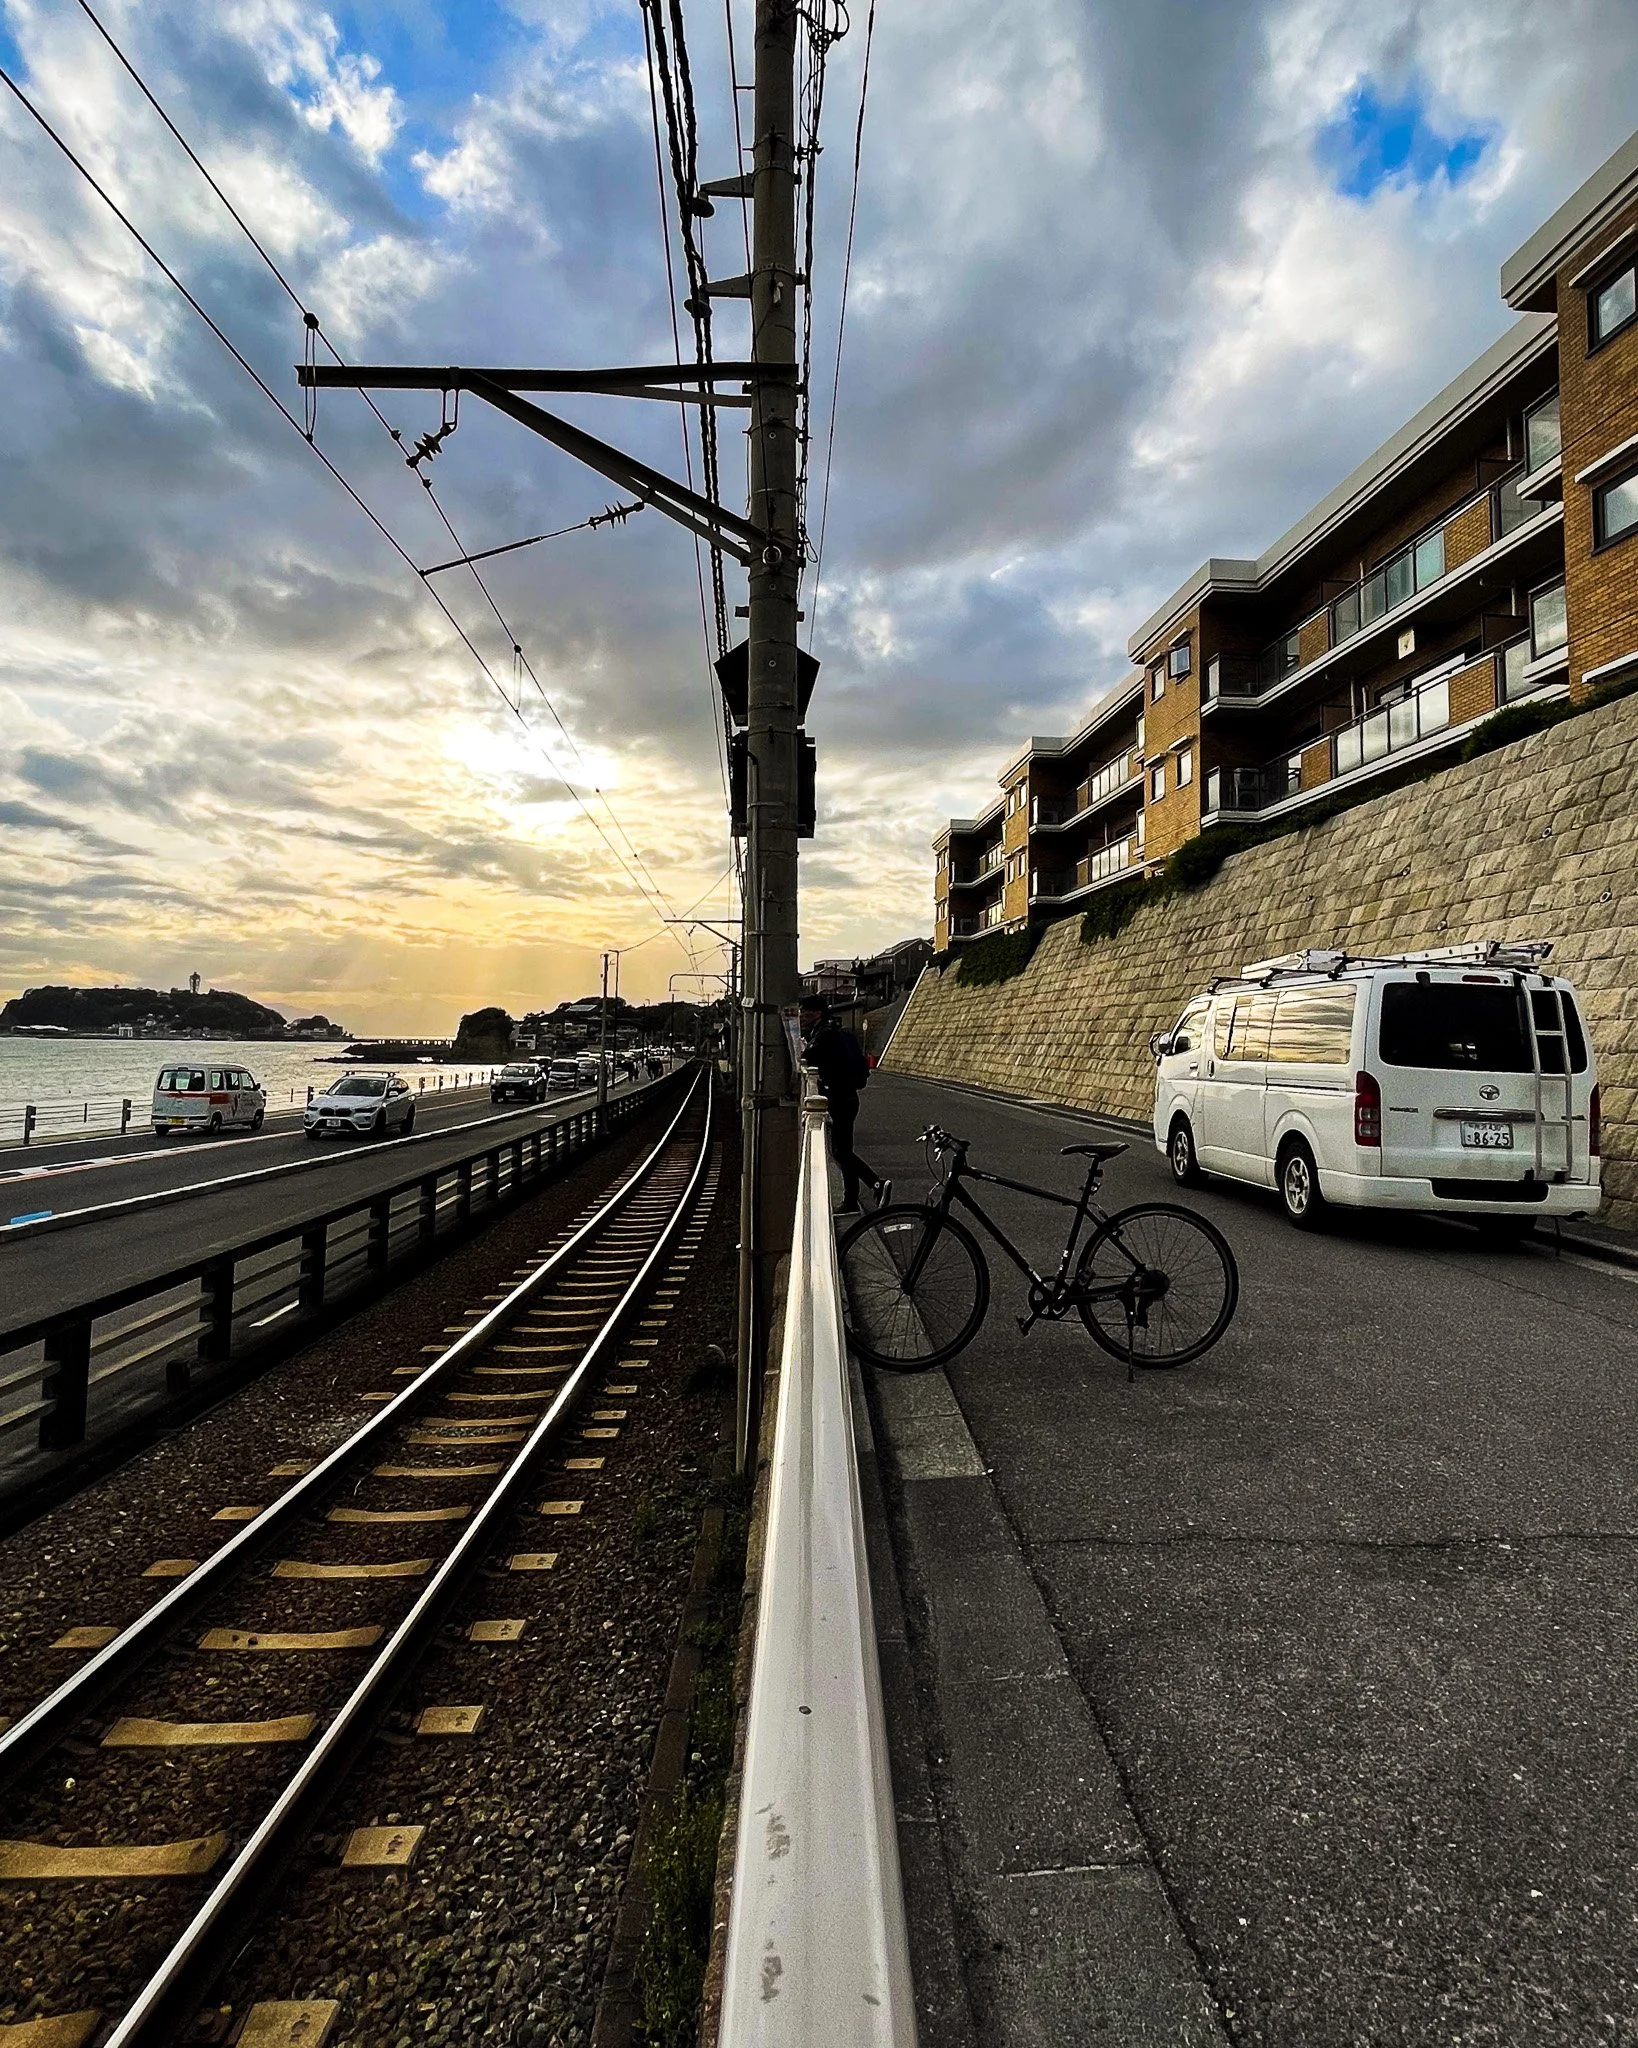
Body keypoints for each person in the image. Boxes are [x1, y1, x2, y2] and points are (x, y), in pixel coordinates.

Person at [799, 993, 891, 1215]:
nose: (802, 1016)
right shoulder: (828, 1032)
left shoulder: (824, 1035)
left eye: (805, 1012)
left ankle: (876, 1184)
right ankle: (851, 1200)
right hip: (846, 1098)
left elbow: (807, 1056)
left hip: (840, 1099)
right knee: (843, 1151)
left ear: (817, 1013)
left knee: (841, 1152)